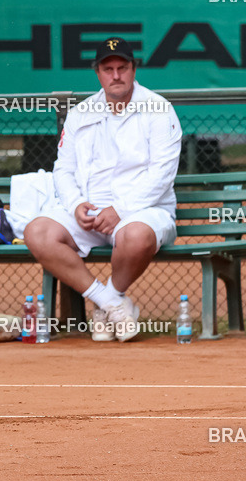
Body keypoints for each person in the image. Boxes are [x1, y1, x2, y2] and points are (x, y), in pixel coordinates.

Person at [23, 37, 182, 342]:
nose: (116, 75)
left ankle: (108, 301)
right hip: (90, 212)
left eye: (123, 67)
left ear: (133, 69)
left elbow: (162, 174)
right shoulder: (81, 112)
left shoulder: (160, 109)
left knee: (135, 236)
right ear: (98, 73)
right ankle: (110, 304)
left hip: (144, 211)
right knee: (37, 232)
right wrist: (75, 204)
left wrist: (120, 209)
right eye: (108, 69)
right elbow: (64, 169)